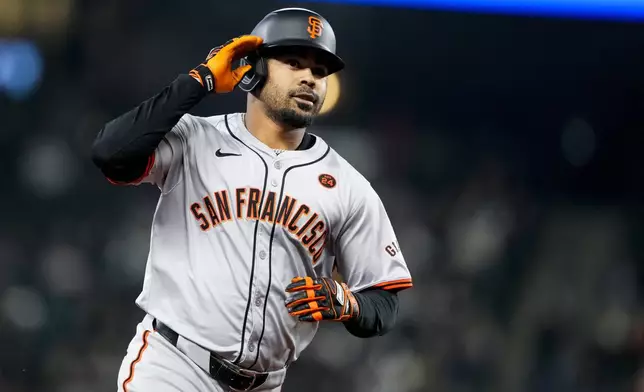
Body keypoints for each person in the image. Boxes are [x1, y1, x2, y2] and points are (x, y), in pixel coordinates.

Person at [91, 7, 413, 392]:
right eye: (294, 62)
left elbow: (385, 300)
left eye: (320, 70)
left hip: (264, 385)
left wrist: (349, 305)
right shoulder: (196, 139)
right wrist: (202, 80)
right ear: (255, 68)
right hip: (174, 367)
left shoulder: (348, 185)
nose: (309, 77)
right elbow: (111, 153)